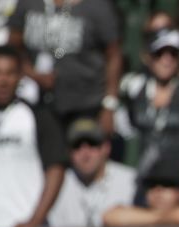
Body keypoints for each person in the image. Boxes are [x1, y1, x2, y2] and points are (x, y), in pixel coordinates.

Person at [0, 45, 66, 227]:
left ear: (20, 77)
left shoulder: (36, 116)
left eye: (10, 73)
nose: (3, 81)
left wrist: (35, 221)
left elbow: (56, 169)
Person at [119, 25, 179, 199]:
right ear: (147, 56)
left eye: (173, 53)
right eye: (160, 53)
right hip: (145, 183)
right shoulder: (134, 89)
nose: (167, 60)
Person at [8, 0, 123, 135]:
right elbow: (13, 47)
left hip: (86, 104)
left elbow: (114, 55)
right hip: (37, 104)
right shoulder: (28, 3)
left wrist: (109, 106)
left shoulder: (97, 6)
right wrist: (32, 74)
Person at [47, 118, 137, 227]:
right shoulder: (55, 184)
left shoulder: (130, 181)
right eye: (77, 146)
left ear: (106, 148)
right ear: (69, 151)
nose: (85, 153)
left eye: (92, 144)